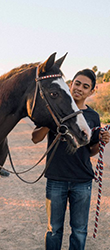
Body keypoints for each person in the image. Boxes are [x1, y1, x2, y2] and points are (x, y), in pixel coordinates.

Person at [31, 69, 110, 250]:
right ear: (70, 84)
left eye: (85, 86)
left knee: (80, 230)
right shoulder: (54, 109)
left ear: (92, 91)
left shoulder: (93, 117)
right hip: (56, 178)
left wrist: (102, 141)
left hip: (82, 181)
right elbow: (35, 138)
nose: (79, 89)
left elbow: (89, 152)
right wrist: (52, 122)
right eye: (77, 83)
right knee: (53, 229)